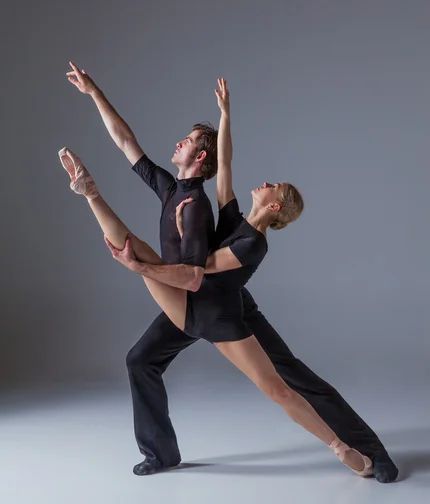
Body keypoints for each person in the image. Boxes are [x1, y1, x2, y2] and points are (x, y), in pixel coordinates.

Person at [63, 63, 398, 482]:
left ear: (274, 206)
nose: (266, 181)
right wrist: (222, 115)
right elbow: (206, 161)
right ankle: (162, 454)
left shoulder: (243, 237)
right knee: (140, 360)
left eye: (272, 185)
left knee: (288, 377)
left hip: (216, 303)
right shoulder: (220, 207)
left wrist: (163, 247)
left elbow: (196, 269)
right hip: (199, 298)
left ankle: (367, 450)